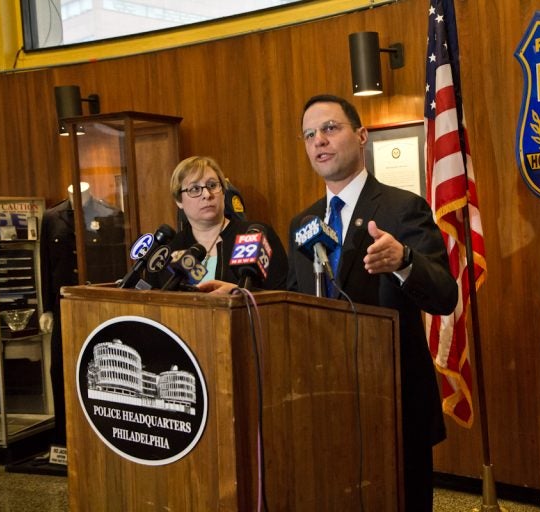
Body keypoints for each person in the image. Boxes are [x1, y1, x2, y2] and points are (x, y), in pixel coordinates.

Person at [285, 94, 458, 512]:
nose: (319, 141)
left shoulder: (403, 207)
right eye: (310, 135)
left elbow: (444, 294)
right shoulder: (303, 223)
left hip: (392, 401)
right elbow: (290, 305)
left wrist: (403, 261)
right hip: (324, 404)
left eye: (330, 128)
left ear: (361, 136)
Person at [40, 181, 125, 447]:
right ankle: (63, 439)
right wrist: (47, 308)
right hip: (64, 304)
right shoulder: (51, 217)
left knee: (98, 368)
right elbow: (45, 264)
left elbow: (116, 262)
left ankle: (102, 433)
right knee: (60, 369)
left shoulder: (108, 214)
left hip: (96, 306)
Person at [150, 156, 287, 291]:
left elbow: (283, 297)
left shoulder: (255, 235)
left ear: (223, 192)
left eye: (212, 185)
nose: (207, 194)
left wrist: (238, 293)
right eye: (194, 189)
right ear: (179, 201)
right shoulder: (170, 249)